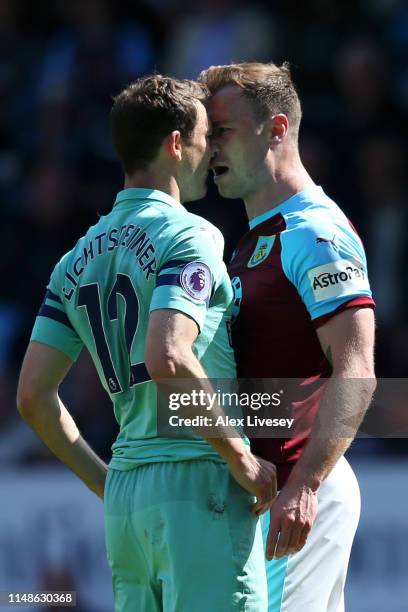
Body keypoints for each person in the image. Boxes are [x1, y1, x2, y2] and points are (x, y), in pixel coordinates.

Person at [17, 75, 277, 612]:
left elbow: (32, 398)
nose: (212, 152)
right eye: (206, 137)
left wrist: (106, 482)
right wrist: (239, 458)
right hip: (198, 481)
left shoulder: (75, 257)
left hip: (128, 501)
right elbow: (169, 355)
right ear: (175, 144)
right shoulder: (190, 235)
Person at [199, 62, 376, 612]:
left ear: (277, 129)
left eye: (222, 131)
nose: (210, 150)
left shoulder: (315, 232)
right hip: (275, 496)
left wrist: (305, 486)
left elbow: (358, 371)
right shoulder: (251, 242)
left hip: (303, 495)